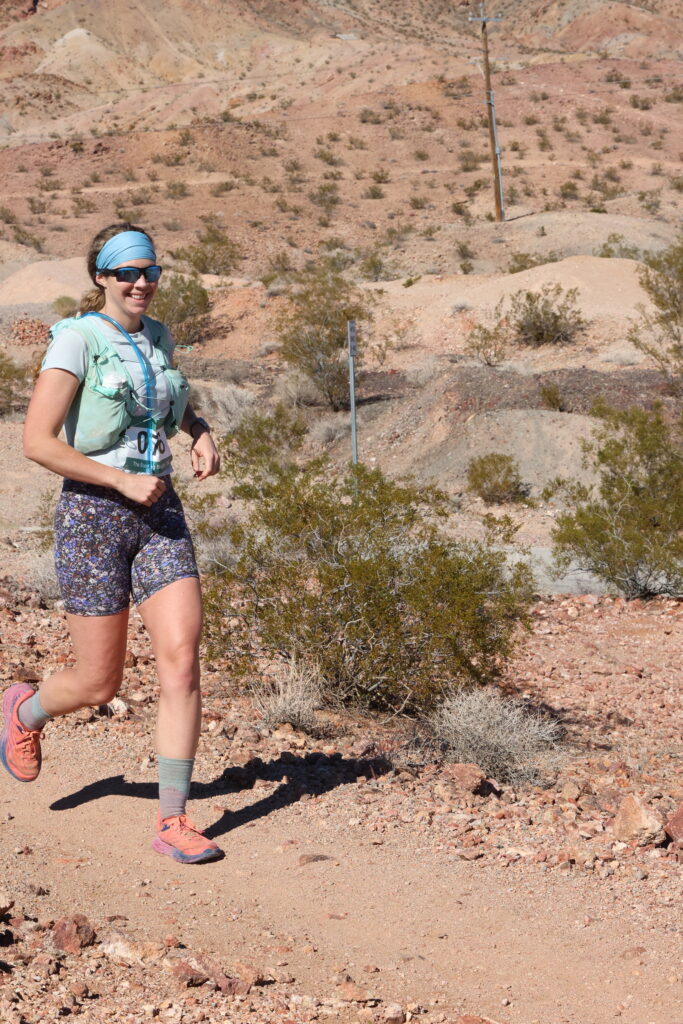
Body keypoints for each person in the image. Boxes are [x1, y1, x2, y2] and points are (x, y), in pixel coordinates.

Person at [0, 222, 224, 864]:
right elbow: (37, 442)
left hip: (160, 514)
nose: (141, 283)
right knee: (100, 684)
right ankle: (25, 710)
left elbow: (164, 401)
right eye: (126, 272)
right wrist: (119, 480)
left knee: (181, 660)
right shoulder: (77, 338)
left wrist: (199, 429)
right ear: (101, 276)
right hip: (93, 516)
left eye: (150, 271)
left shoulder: (158, 337)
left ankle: (173, 821)